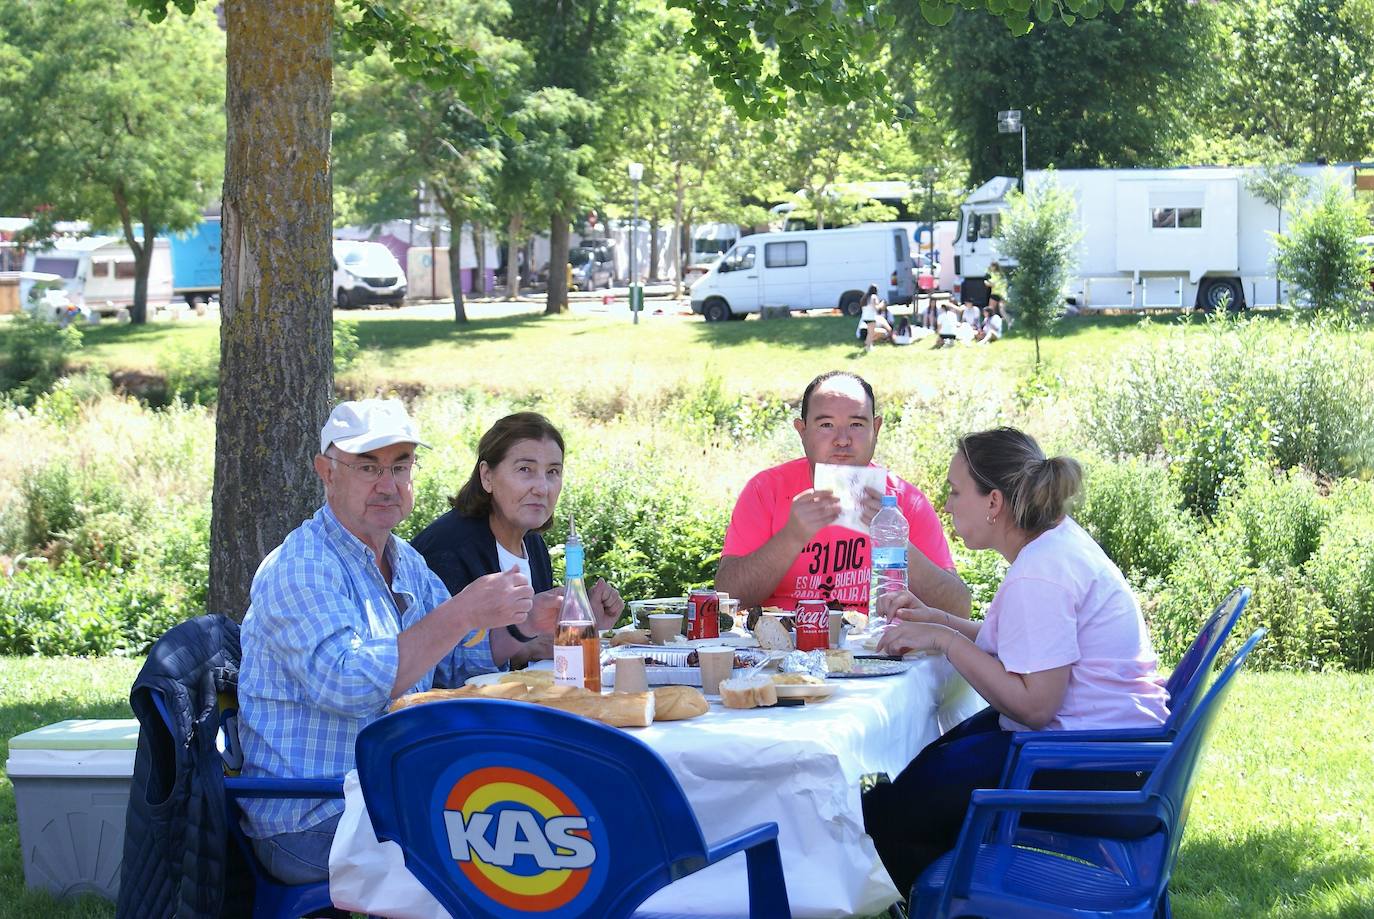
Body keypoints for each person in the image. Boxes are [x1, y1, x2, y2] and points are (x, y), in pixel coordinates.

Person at [237, 399, 553, 886]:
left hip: (382, 794)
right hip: (314, 815)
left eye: (400, 466)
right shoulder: (301, 566)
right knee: (512, 850)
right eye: (368, 467)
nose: (387, 485)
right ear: (327, 472)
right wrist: (460, 612)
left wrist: (526, 627)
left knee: (541, 819)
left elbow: (453, 664)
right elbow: (348, 685)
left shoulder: (403, 559)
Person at [861, 427, 1169, 895]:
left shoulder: (1041, 573)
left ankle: (954, 901)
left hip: (1095, 764)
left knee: (895, 811)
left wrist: (944, 639)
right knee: (925, 769)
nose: (948, 505)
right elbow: (1023, 648)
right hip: (1105, 747)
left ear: (994, 502)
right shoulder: (1052, 546)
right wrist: (938, 619)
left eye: (956, 491)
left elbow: (1035, 705)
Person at [716, 371, 970, 617]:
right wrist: (791, 537)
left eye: (856, 424)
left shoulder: (902, 500)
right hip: (782, 644)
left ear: (876, 429)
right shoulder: (766, 490)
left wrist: (895, 542)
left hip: (877, 647)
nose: (842, 440)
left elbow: (958, 609)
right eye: (826, 425)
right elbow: (727, 597)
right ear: (801, 431)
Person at [411, 412, 624, 666]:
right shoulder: (447, 550)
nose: (542, 487)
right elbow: (437, 667)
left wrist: (586, 622)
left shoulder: (532, 543)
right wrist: (524, 649)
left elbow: (541, 637)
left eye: (553, 472)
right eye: (525, 469)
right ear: (487, 476)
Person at [856, 284, 891, 351]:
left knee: (870, 333)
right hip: (871, 317)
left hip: (864, 317)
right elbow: (876, 308)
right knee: (871, 333)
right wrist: (881, 304)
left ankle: (869, 345)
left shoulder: (865, 297)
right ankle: (868, 347)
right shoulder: (874, 297)